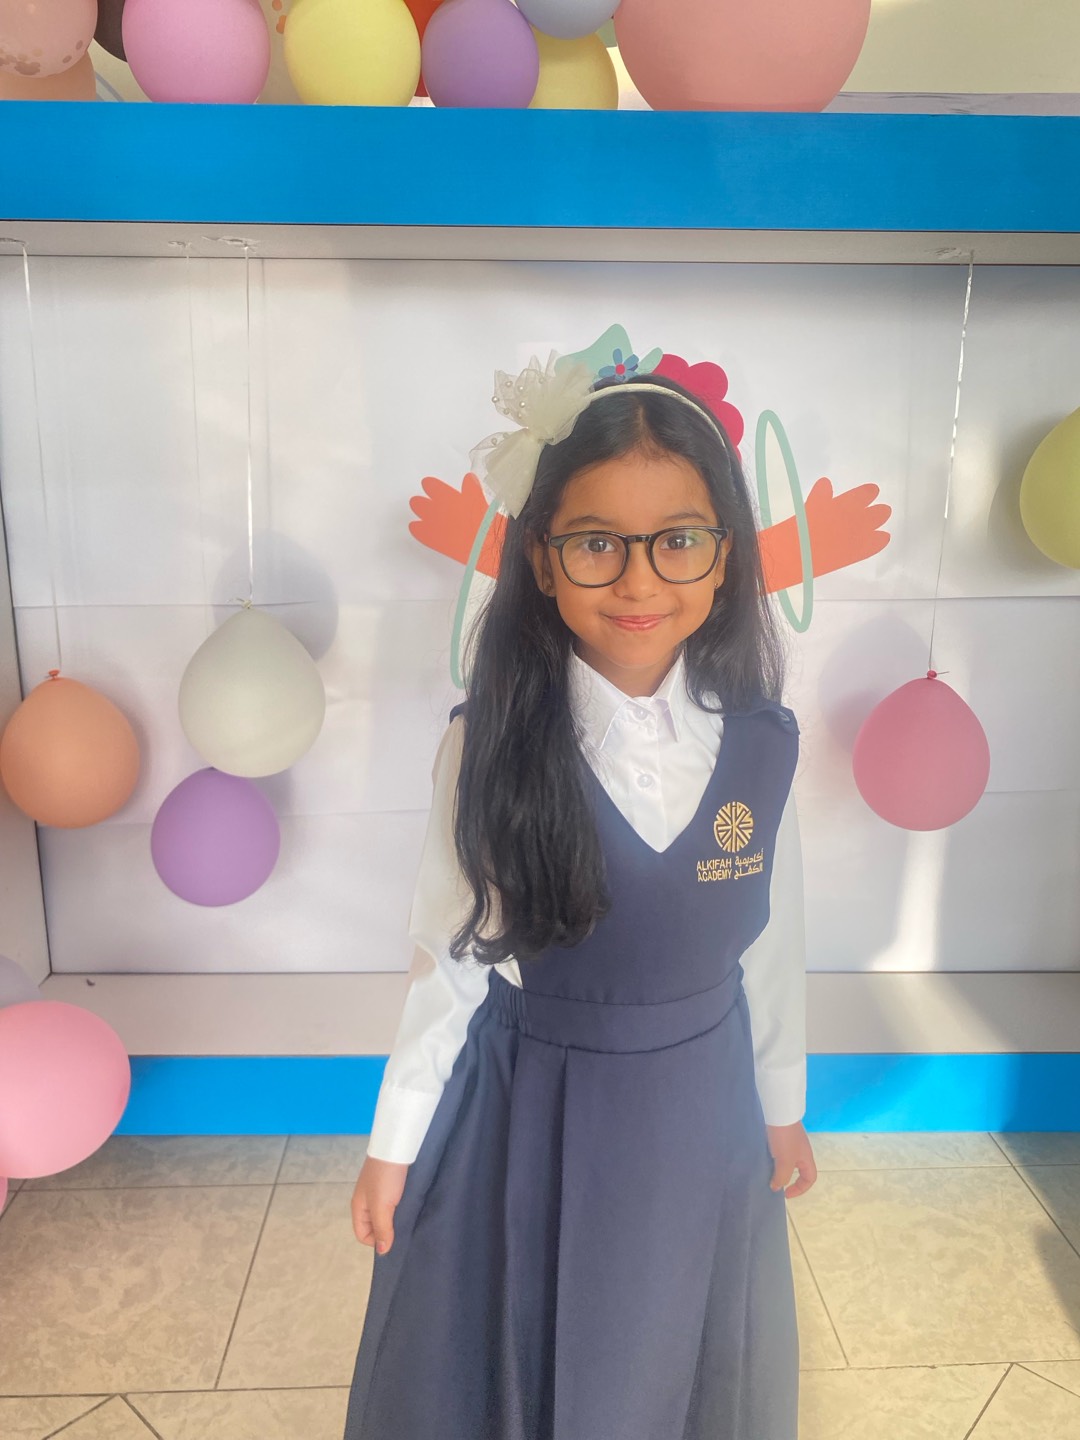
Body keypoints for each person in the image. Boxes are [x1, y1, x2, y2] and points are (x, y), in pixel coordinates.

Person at [342, 355, 817, 1440]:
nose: (640, 581)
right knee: (524, 1351)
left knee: (680, 1348)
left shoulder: (762, 746)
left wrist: (781, 1105)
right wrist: (394, 1141)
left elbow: (772, 941)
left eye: (677, 540)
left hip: (702, 1110)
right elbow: (449, 956)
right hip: (532, 1109)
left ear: (724, 557)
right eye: (597, 542)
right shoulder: (488, 746)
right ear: (543, 562)